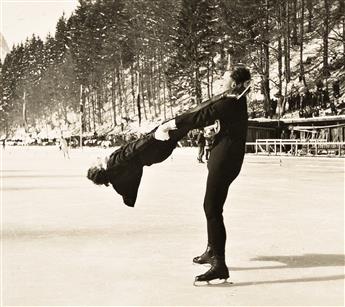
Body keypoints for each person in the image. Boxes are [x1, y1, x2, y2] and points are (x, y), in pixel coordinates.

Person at [87, 65, 251, 284]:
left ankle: (219, 264)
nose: (220, 81)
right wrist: (212, 130)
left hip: (225, 160)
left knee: (212, 208)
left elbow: (201, 115)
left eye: (224, 78)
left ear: (233, 82)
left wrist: (173, 124)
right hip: (223, 158)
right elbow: (213, 119)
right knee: (211, 207)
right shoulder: (232, 100)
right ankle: (212, 250)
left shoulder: (231, 101)